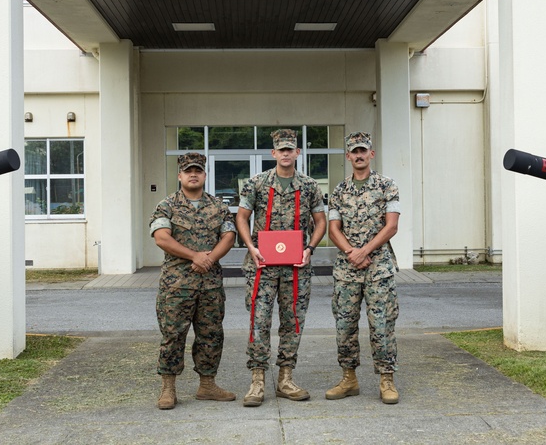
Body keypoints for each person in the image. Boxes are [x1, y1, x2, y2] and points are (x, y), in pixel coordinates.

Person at [235, 128, 327, 406]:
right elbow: (242, 217)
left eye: (291, 149)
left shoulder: (309, 185)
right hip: (262, 264)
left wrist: (310, 248)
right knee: (259, 321)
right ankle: (257, 381)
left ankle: (285, 378)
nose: (286, 154)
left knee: (293, 322)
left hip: (296, 266)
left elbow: (320, 221)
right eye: (281, 150)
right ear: (273, 153)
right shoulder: (257, 183)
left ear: (298, 153)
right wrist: (250, 247)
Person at [149, 152, 237, 410]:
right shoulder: (167, 205)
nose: (193, 174)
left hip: (210, 285)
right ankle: (168, 388)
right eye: (188, 171)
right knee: (173, 335)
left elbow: (229, 237)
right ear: (180, 175)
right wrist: (195, 256)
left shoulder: (218, 206)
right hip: (177, 286)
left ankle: (207, 385)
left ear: (205, 175)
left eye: (198, 170)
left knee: (211, 335)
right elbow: (162, 238)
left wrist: (208, 260)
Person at [324, 131, 402, 405]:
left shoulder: (387, 185)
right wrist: (350, 252)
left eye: (363, 151)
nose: (358, 155)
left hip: (378, 268)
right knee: (345, 326)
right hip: (347, 270)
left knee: (381, 325)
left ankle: (386, 379)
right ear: (348, 156)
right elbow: (333, 229)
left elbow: (391, 226)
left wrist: (364, 251)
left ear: (371, 154)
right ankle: (349, 379)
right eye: (354, 151)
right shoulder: (339, 191)